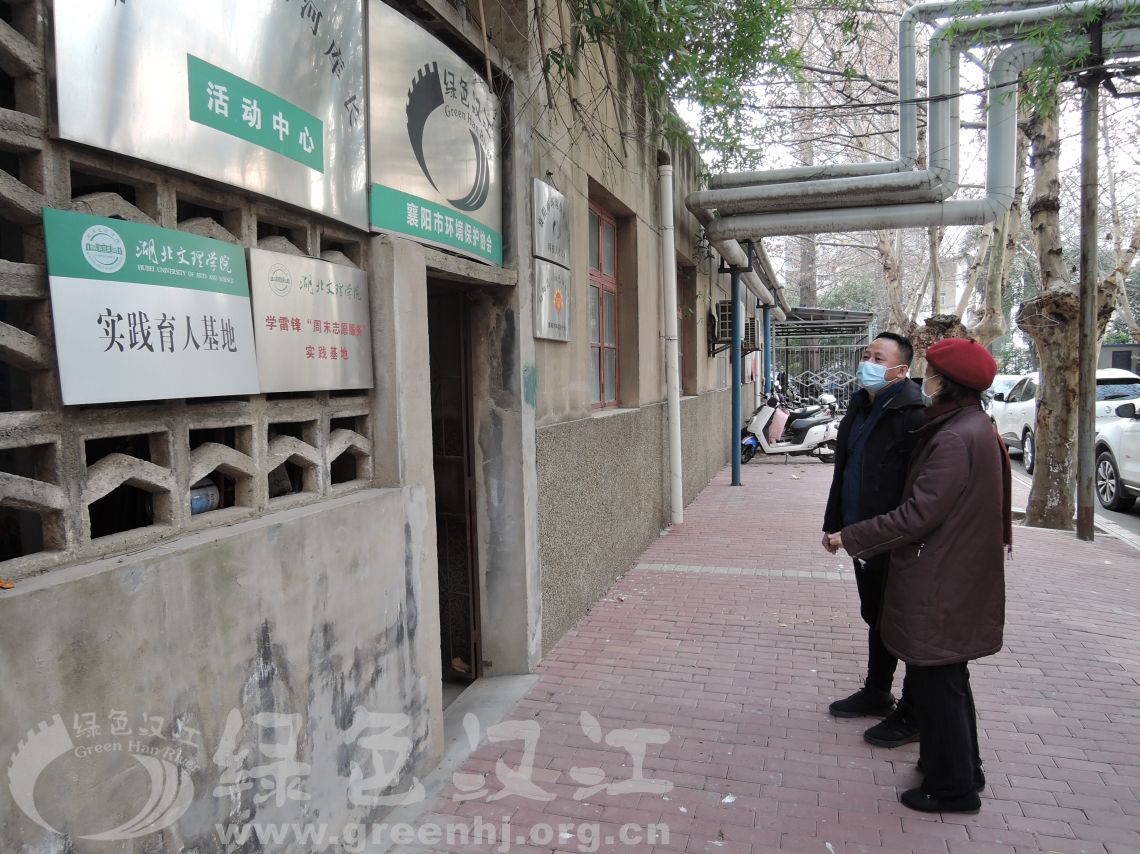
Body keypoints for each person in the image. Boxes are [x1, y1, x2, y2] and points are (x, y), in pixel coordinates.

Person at [828, 337, 1011, 813]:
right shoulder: (969, 425)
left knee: (936, 684)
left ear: (944, 383)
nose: (923, 382)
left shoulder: (953, 436)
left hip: (940, 574)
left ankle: (952, 789)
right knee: (948, 680)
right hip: (953, 568)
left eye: (929, 374)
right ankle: (960, 768)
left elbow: (917, 514)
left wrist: (852, 536)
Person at [822, 332, 926, 747]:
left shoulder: (914, 413)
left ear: (901, 370)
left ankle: (913, 712)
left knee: (903, 621)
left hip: (894, 537)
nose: (867, 363)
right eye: (866, 355)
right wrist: (835, 523)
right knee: (876, 615)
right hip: (860, 533)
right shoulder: (861, 405)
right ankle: (878, 691)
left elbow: (918, 490)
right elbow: (845, 470)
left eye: (878, 358)